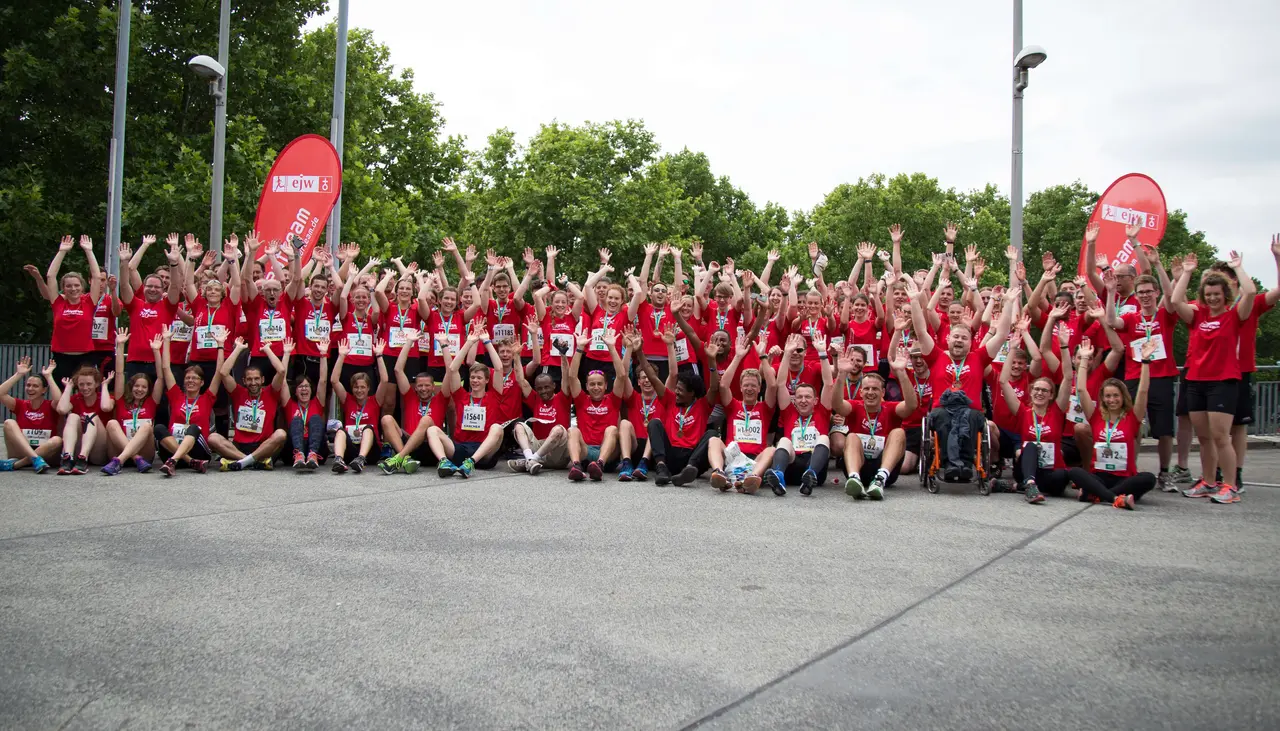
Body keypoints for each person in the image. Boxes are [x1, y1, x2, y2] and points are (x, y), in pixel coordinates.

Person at [913, 273, 1016, 481]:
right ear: (948, 339)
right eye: (956, 337)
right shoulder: (936, 356)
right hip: (942, 410)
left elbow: (1002, 334)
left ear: (971, 342)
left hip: (971, 411)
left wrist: (1009, 303)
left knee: (969, 418)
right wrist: (915, 301)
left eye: (964, 338)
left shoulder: (978, 358)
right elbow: (921, 331)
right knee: (944, 419)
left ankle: (965, 465)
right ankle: (950, 464)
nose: (959, 341)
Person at [1170, 251, 1254, 502]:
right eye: (1208, 295)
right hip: (1196, 381)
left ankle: (1230, 486)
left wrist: (1237, 268)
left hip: (1223, 382)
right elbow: (1175, 301)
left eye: (1217, 294)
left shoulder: (1234, 316)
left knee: (1220, 437)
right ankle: (1208, 482)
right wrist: (1187, 273)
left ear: (1225, 294)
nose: (1213, 298)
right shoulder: (1197, 316)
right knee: (1205, 438)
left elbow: (1250, 292)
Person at [1066, 337, 1160, 509]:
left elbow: (1143, 391)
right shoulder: (1095, 416)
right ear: (1102, 398)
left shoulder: (1132, 417)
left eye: (1116, 395)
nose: (1112, 400)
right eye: (1108, 396)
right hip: (1099, 476)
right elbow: (1081, 389)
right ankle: (1116, 498)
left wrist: (1145, 361)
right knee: (1075, 472)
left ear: (1123, 396)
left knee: (1148, 478)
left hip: (1124, 477)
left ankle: (1097, 494)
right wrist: (1084, 359)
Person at [633, 324, 721, 487]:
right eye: (677, 389)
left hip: (693, 457)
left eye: (680, 390)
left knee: (712, 433)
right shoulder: (670, 399)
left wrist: (711, 360)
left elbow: (715, 387)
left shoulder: (703, 405)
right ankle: (661, 468)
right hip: (671, 455)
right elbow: (652, 376)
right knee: (654, 423)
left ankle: (688, 470)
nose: (677, 392)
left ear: (692, 393)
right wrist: (639, 352)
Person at [1000, 335, 1073, 504]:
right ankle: (1030, 485)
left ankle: (1016, 486)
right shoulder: (1023, 411)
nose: (1040, 393)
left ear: (1051, 395)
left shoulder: (1057, 411)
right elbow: (1003, 381)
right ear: (1031, 392)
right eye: (1036, 389)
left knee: (1062, 476)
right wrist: (1012, 349)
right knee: (1030, 446)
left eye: (1044, 391)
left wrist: (1064, 347)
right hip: (1026, 470)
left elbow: (1068, 377)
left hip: (1051, 471)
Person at [838, 346, 917, 500]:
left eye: (875, 389)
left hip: (885, 469)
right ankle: (854, 478)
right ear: (861, 392)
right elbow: (837, 404)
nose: (870, 392)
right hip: (859, 466)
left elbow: (911, 405)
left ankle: (880, 479)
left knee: (899, 432)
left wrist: (902, 373)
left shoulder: (890, 408)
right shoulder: (855, 406)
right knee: (851, 436)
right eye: (867, 389)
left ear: (883, 393)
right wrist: (841, 375)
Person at [429, 325, 506, 477]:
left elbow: (499, 369)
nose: (475, 381)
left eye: (479, 378)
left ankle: (471, 462)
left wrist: (487, 342)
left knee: (497, 428)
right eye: (472, 378)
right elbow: (452, 369)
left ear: (486, 380)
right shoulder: (461, 395)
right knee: (432, 430)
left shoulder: (494, 395)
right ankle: (444, 462)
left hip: (484, 452)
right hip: (461, 448)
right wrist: (469, 343)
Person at [765, 332, 835, 496]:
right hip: (792, 464)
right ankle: (778, 475)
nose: (803, 401)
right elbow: (781, 384)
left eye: (808, 397)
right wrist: (787, 354)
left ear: (815, 400)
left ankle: (810, 476)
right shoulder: (789, 411)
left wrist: (822, 353)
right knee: (783, 440)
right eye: (799, 397)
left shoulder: (822, 410)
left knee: (824, 438)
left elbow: (828, 383)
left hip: (814, 467)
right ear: (794, 400)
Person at [707, 333, 777, 494]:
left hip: (755, 460)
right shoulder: (733, 405)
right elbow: (723, 385)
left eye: (753, 386)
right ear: (740, 387)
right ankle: (719, 472)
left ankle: (752, 478)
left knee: (771, 450)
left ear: (759, 389)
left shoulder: (765, 408)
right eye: (746, 385)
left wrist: (763, 356)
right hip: (733, 456)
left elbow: (772, 386)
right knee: (713, 440)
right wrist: (738, 356)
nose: (749, 389)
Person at [211, 336, 287, 471]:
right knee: (213, 438)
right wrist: (238, 349)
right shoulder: (238, 392)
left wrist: (267, 350)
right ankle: (251, 461)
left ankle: (242, 462)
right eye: (249, 379)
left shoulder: (271, 392)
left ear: (262, 380)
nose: (253, 383)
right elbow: (223, 373)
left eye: (256, 379)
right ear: (244, 381)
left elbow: (281, 371)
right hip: (239, 446)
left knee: (281, 434)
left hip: (264, 446)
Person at [155, 327, 224, 476]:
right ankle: (188, 461)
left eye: (195, 378)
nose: (190, 381)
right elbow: (166, 368)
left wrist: (220, 346)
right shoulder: (176, 396)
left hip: (199, 450)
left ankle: (175, 461)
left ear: (202, 382)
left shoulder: (207, 398)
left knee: (193, 428)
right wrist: (166, 340)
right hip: (174, 447)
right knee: (159, 428)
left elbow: (219, 372)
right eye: (188, 378)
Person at [379, 328, 447, 474]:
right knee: (386, 419)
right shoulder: (410, 396)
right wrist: (409, 342)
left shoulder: (441, 398)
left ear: (433, 387)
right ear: (415, 387)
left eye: (427, 385)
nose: (423, 389)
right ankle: (405, 459)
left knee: (426, 420)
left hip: (430, 446)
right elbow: (398, 370)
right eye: (420, 386)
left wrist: (444, 346)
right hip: (409, 446)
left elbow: (451, 371)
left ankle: (399, 458)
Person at [563, 328, 627, 481]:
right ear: (586, 386)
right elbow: (572, 377)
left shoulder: (612, 399)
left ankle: (600, 464)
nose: (596, 387)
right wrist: (580, 348)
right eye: (592, 384)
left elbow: (621, 376)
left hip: (608, 453)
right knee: (572, 430)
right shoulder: (582, 399)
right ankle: (576, 466)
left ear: (606, 386)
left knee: (612, 429)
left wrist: (611, 347)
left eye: (599, 384)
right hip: (586, 451)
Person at [99, 329, 164, 475]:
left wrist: (156, 351)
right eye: (136, 386)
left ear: (148, 389)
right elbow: (119, 373)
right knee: (112, 423)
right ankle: (133, 458)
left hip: (144, 452)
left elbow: (160, 377)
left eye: (144, 387)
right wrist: (120, 345)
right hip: (119, 448)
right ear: (131, 387)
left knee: (147, 426)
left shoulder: (152, 401)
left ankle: (119, 462)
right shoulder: (121, 399)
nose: (139, 389)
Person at [43, 235, 105, 384]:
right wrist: (62, 252)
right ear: (63, 288)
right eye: (69, 286)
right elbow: (50, 276)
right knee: (61, 394)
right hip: (61, 356)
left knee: (87, 392)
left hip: (85, 357)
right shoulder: (58, 303)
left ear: (82, 287)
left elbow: (97, 277)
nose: (73, 288)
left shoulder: (89, 302)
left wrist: (89, 251)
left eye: (77, 285)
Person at [119, 234, 183, 380]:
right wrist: (124, 263)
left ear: (163, 289)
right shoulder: (135, 304)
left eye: (157, 287)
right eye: (149, 286)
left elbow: (175, 286)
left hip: (160, 362)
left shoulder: (168, 305)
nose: (153, 289)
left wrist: (174, 264)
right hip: (135, 361)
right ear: (144, 287)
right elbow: (124, 285)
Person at [263, 334, 329, 470]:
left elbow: (323, 380)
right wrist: (286, 354)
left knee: (316, 418)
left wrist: (323, 354)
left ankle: (312, 454)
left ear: (311, 390)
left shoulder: (317, 402)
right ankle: (299, 454)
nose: (304, 389)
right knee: (297, 420)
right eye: (300, 387)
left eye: (307, 386)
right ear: (295, 391)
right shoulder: (290, 404)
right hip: (292, 450)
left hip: (317, 449)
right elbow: (283, 379)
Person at [508, 336, 572, 475]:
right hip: (538, 446)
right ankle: (530, 459)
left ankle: (531, 460)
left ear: (554, 386)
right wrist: (516, 356)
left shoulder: (563, 398)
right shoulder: (535, 398)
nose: (543, 391)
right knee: (519, 425)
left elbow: (566, 376)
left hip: (557, 452)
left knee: (559, 429)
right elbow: (520, 380)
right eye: (540, 388)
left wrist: (563, 356)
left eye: (547, 387)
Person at [329, 338, 390, 474]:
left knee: (368, 429)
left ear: (368, 388)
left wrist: (379, 356)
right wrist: (341, 356)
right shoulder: (347, 399)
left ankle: (361, 459)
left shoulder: (375, 400)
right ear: (352, 388)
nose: (359, 390)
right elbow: (334, 381)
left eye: (363, 387)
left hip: (371, 452)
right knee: (340, 431)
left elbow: (385, 380)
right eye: (356, 387)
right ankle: (339, 459)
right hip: (352, 448)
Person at [0, 357, 62, 473]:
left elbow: (59, 400)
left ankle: (17, 465)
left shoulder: (50, 405)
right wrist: (18, 374)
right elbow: (1, 393)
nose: (30, 388)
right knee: (9, 422)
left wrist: (49, 376)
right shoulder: (20, 405)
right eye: (28, 385)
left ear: (44, 390)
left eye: (35, 386)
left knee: (57, 440)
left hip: (46, 454)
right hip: (21, 451)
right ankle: (34, 458)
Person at [55, 364, 109, 474]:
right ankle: (68, 457)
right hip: (79, 450)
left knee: (91, 416)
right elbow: (61, 409)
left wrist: (104, 386)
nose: (85, 388)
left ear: (96, 384)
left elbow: (106, 407)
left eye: (89, 384)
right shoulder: (76, 399)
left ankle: (84, 458)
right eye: (81, 384)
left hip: (99, 451)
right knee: (72, 416)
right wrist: (68, 387)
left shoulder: (104, 397)